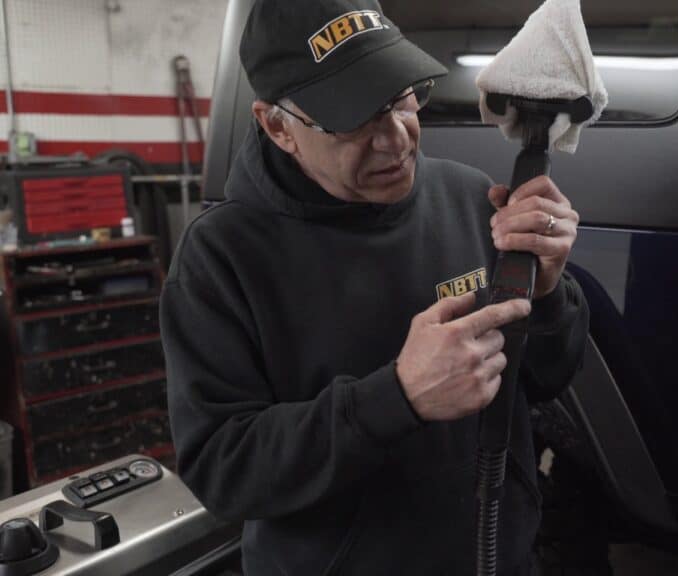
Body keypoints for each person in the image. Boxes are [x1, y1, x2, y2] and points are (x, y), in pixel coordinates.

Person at [160, 0, 589, 574]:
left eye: (400, 100)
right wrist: (397, 398)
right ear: (277, 126)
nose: (394, 139)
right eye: (352, 118)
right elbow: (224, 470)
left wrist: (549, 293)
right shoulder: (222, 258)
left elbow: (544, 379)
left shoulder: (470, 201)